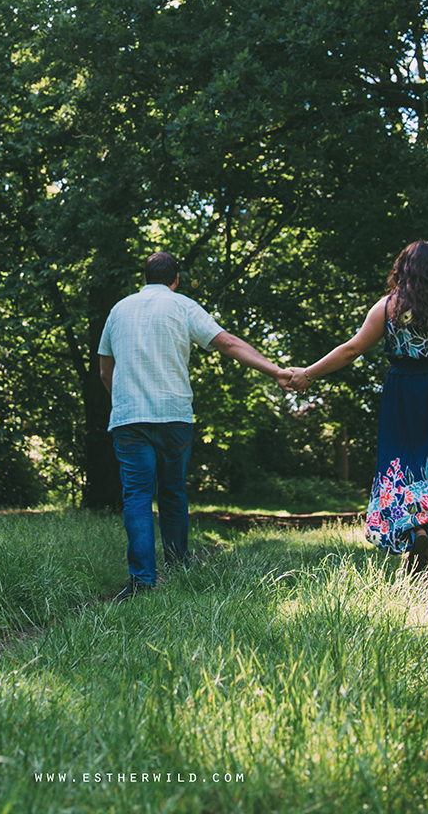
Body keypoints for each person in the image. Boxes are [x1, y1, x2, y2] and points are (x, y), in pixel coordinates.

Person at [283, 240, 428, 579]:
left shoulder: (389, 307)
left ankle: (416, 532)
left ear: (402, 270)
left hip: (406, 392)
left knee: (405, 462)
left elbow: (351, 350)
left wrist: (307, 374)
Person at [98, 251, 289, 599]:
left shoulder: (118, 310)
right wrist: (275, 371)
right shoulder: (183, 306)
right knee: (172, 493)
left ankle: (142, 581)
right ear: (176, 278)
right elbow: (228, 343)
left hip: (129, 419)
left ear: (144, 277)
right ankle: (179, 568)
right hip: (173, 415)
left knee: (137, 498)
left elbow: (104, 369)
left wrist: (122, 400)